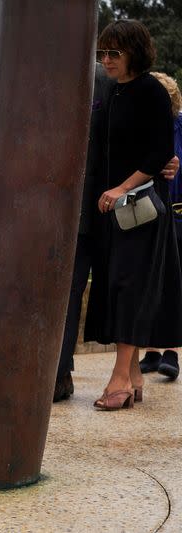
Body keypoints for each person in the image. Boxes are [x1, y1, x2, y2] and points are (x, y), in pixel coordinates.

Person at [86, 19, 182, 410]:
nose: (106, 60)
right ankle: (136, 375)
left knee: (130, 287)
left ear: (134, 53)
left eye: (114, 53)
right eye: (102, 53)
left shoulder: (151, 91)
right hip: (113, 208)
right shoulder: (114, 92)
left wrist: (123, 187)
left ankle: (120, 377)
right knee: (117, 285)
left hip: (138, 207)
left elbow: (160, 151)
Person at [138, 71, 182, 380]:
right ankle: (151, 350)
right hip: (150, 209)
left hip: (178, 212)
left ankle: (173, 352)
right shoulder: (143, 126)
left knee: (175, 281)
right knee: (148, 279)